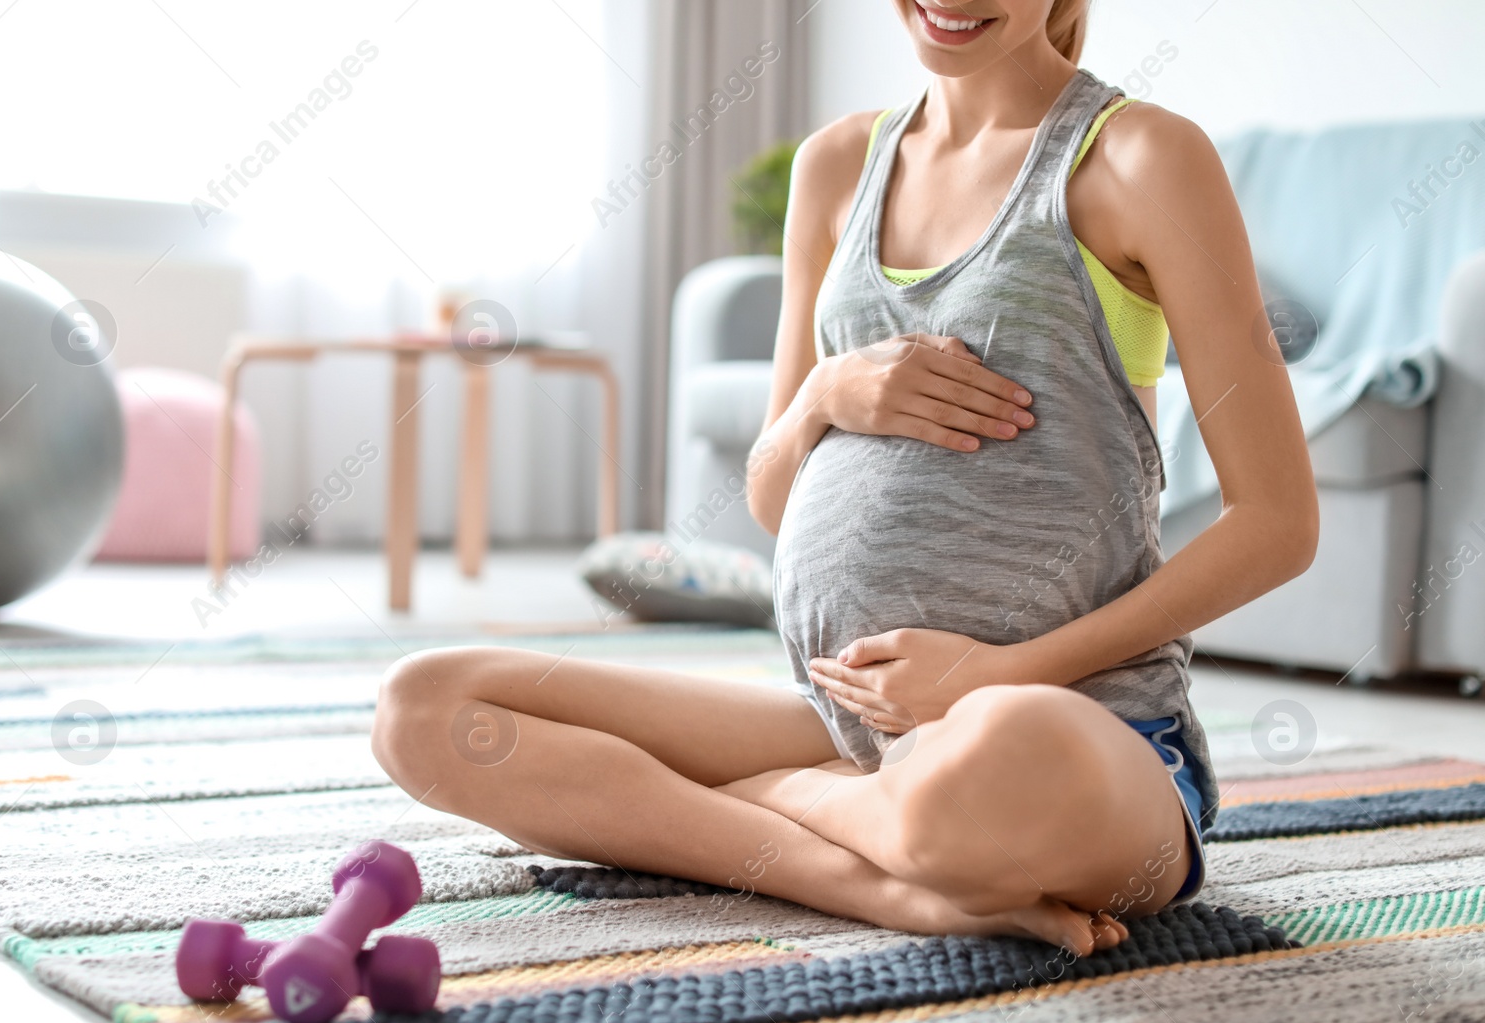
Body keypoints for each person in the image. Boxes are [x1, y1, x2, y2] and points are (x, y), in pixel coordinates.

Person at [371, 0, 1317, 956]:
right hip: (839, 714)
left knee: (986, 764)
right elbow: (775, 498)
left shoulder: (1140, 160)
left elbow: (1277, 521)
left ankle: (736, 812)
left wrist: (992, 674)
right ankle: (881, 882)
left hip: (1071, 728)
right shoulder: (836, 167)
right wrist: (828, 392)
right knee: (426, 708)